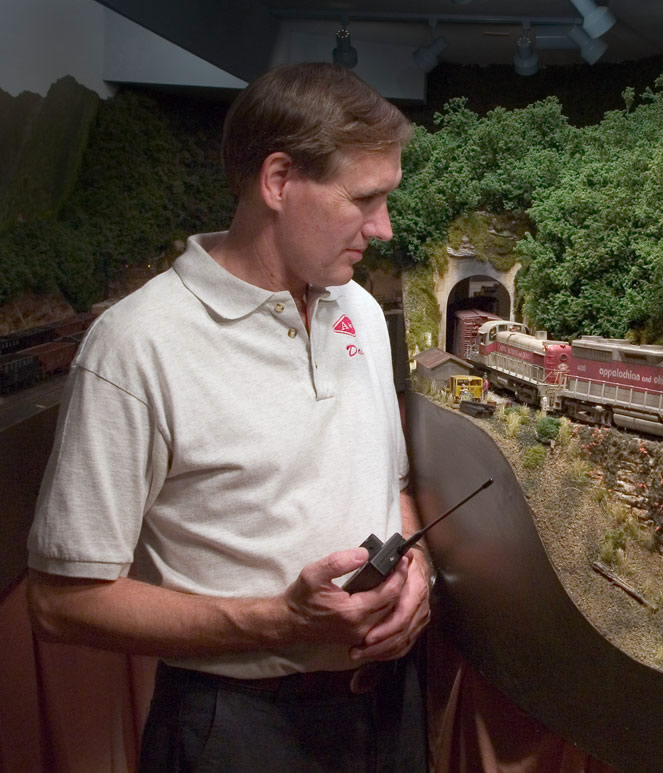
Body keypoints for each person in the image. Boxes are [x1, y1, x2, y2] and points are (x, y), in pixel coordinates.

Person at [26, 63, 432, 771]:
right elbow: (61, 603)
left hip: (391, 710)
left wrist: (416, 569)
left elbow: (389, 487)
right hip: (235, 727)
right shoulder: (135, 344)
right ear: (278, 181)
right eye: (365, 199)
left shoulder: (362, 310)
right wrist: (275, 620)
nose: (385, 228)